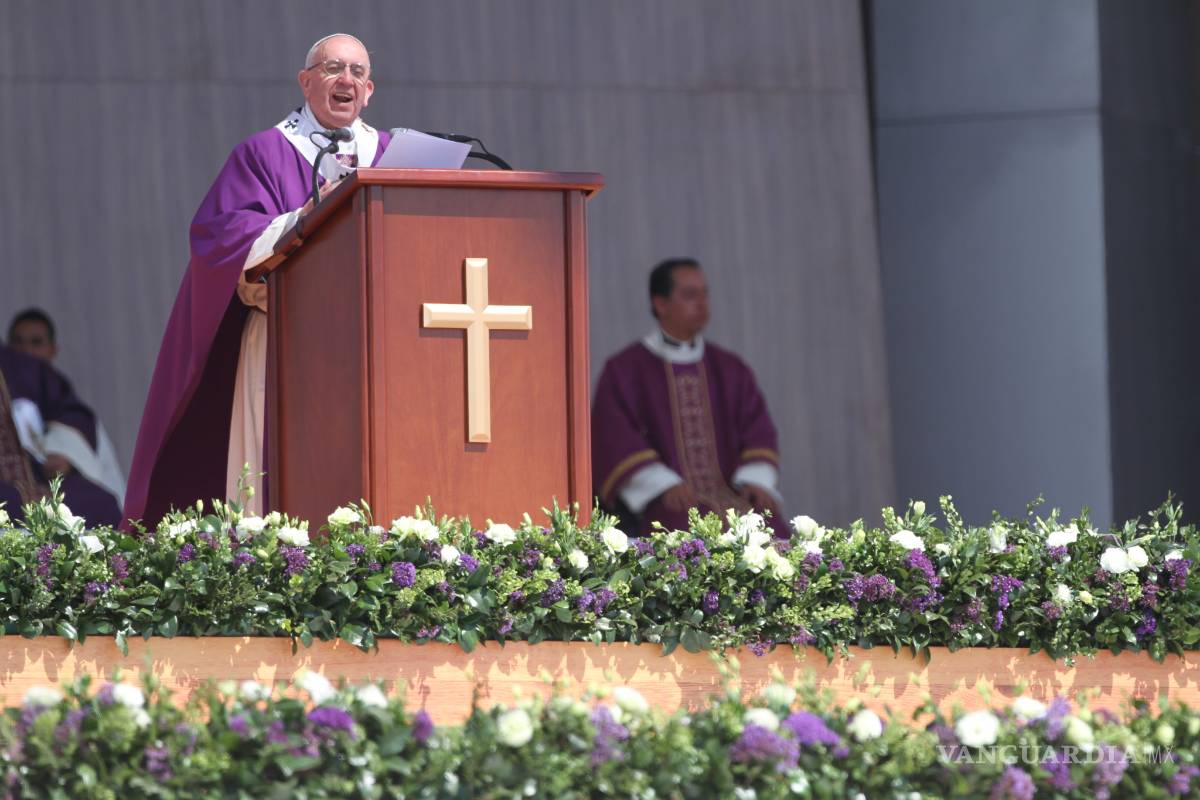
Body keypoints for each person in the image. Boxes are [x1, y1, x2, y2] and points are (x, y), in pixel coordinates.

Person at [124, 34, 392, 525]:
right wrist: (301, 220)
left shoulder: (392, 157)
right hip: (282, 337)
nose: (346, 80)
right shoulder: (264, 153)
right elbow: (219, 237)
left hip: (375, 345)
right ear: (306, 81)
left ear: (369, 90)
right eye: (333, 68)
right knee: (279, 480)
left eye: (357, 72)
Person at [591, 258, 782, 534]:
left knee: (772, 527)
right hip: (670, 497)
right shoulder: (625, 369)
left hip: (733, 490)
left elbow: (758, 429)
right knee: (679, 529)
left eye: (705, 294)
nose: (703, 304)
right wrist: (662, 483)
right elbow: (614, 436)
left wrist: (755, 479)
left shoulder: (730, 368)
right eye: (691, 295)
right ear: (661, 304)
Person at [6, 308, 127, 510]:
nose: (26, 350)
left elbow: (108, 480)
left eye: (36, 342)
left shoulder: (76, 415)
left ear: (52, 350)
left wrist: (69, 456)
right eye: (18, 342)